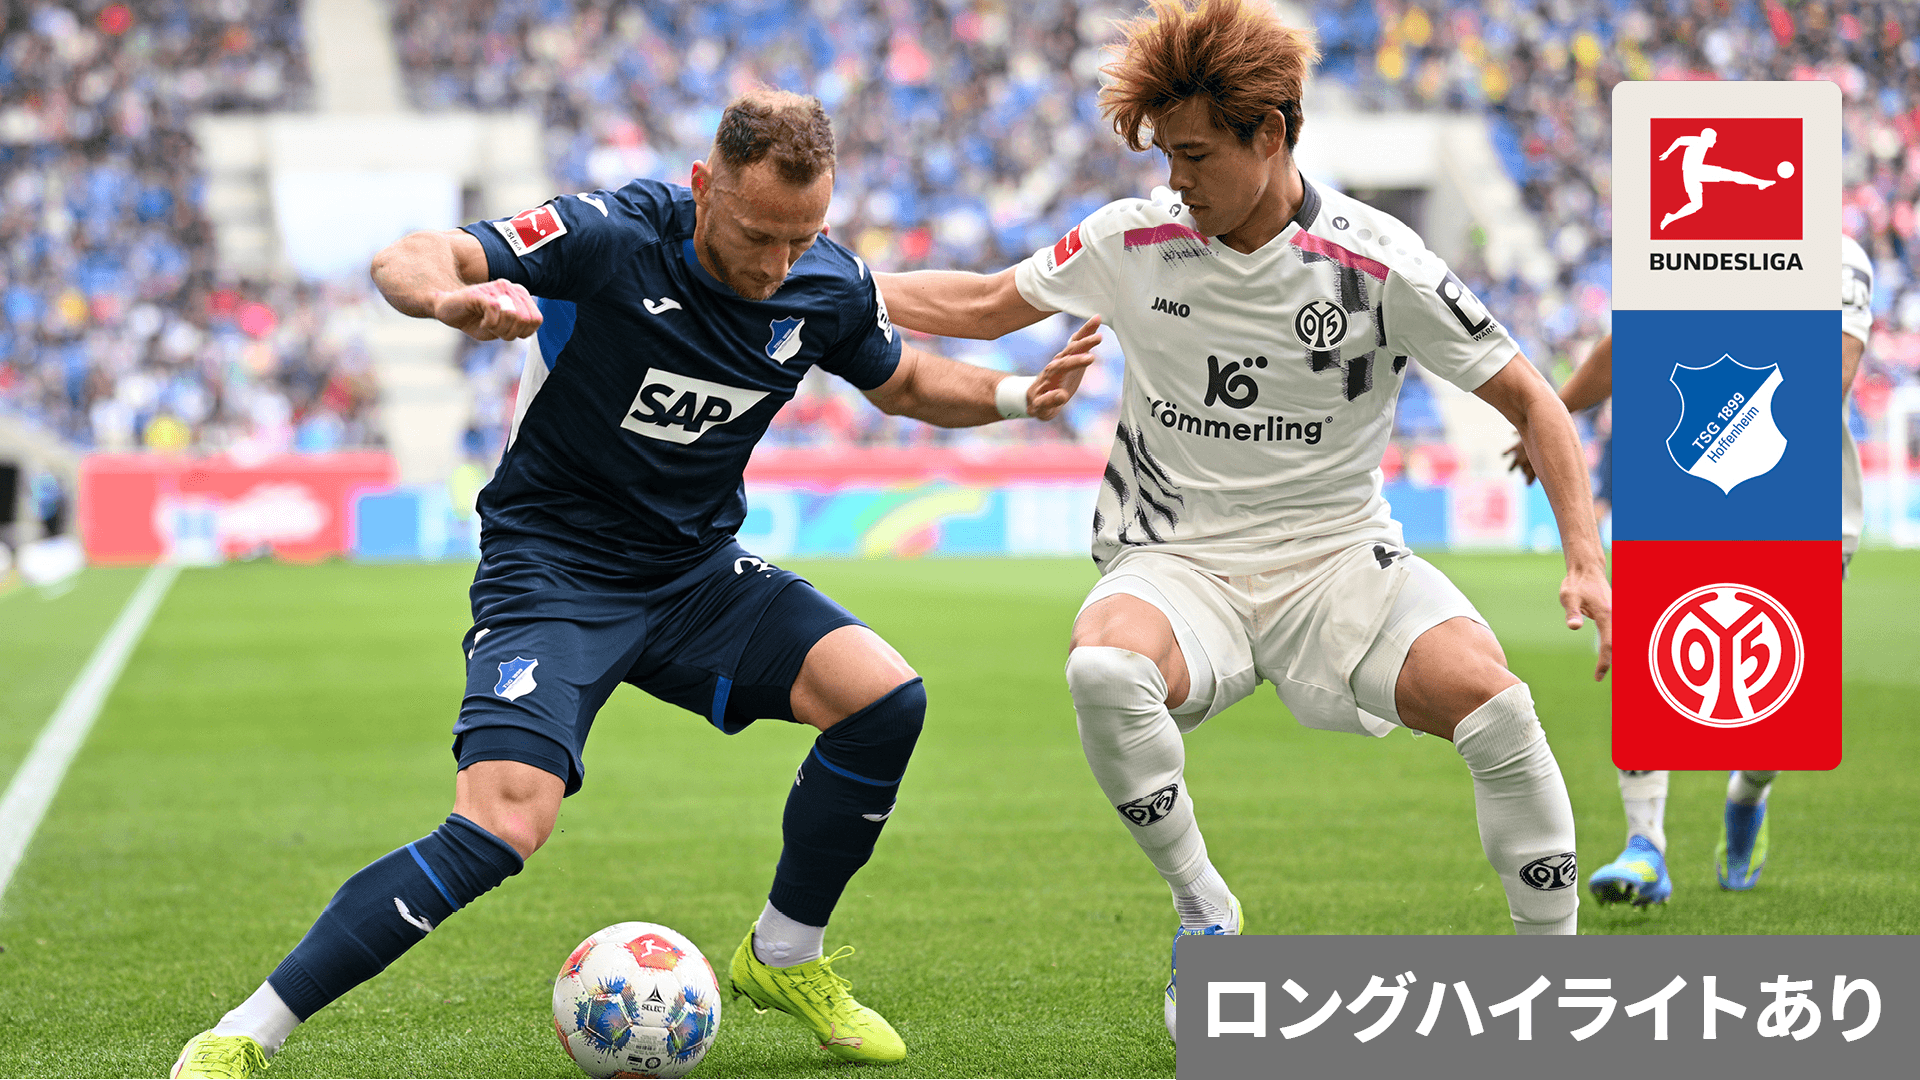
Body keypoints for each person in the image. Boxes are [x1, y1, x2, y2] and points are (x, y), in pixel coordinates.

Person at [170, 88, 1099, 1078]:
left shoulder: (822, 283)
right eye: (758, 235)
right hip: (554, 569)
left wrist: (1016, 395)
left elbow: (904, 381)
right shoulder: (608, 236)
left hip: (695, 574)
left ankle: (784, 955)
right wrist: (452, 300)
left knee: (883, 699)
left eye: (801, 237)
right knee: (505, 820)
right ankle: (244, 1033)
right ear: (703, 187)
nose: (776, 264)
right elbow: (412, 253)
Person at [876, 0, 1609, 1040]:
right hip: (1177, 560)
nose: (1176, 180)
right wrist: (833, 277)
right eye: (1166, 156)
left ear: (1269, 134)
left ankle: (1558, 992)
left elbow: (1534, 398)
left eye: (1195, 155)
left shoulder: (1379, 262)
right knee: (1103, 670)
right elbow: (987, 305)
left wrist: (1585, 558)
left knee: (1498, 709)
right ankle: (1204, 911)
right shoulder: (1132, 240)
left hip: (1338, 561)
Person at [1512, 234, 1876, 906]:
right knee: (1647, 647)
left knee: (1772, 698)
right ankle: (1645, 845)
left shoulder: (1838, 255)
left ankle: (1748, 793)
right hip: (1688, 482)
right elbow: (1629, 347)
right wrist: (1552, 415)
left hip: (1803, 503)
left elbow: (1833, 376)